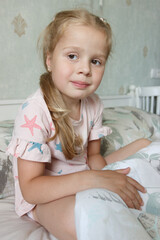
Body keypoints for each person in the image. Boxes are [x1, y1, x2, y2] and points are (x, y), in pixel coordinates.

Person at [7, 9, 148, 240]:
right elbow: (31, 189)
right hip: (46, 194)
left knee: (145, 143)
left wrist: (107, 179)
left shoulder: (93, 104)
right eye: (72, 56)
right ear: (49, 59)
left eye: (96, 61)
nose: (85, 69)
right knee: (84, 220)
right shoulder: (34, 111)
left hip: (84, 173)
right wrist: (93, 180)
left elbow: (93, 157)